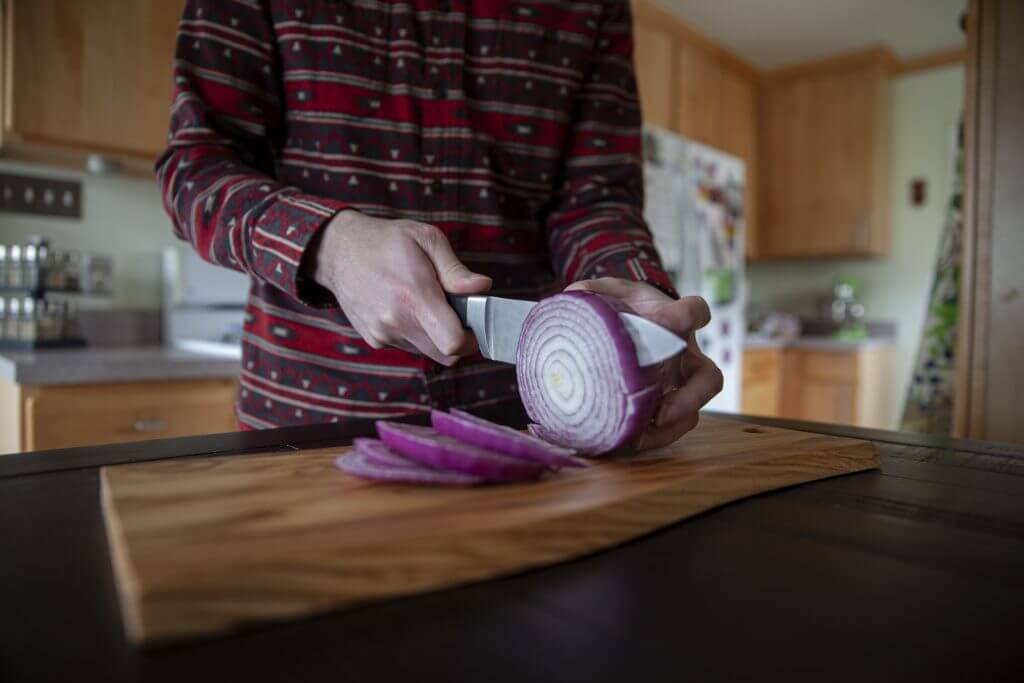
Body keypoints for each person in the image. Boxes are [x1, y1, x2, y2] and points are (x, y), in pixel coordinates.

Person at [158, 0, 722, 450]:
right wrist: (330, 245)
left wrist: (639, 299)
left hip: (531, 428)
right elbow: (195, 170)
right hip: (308, 425)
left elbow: (595, 199)